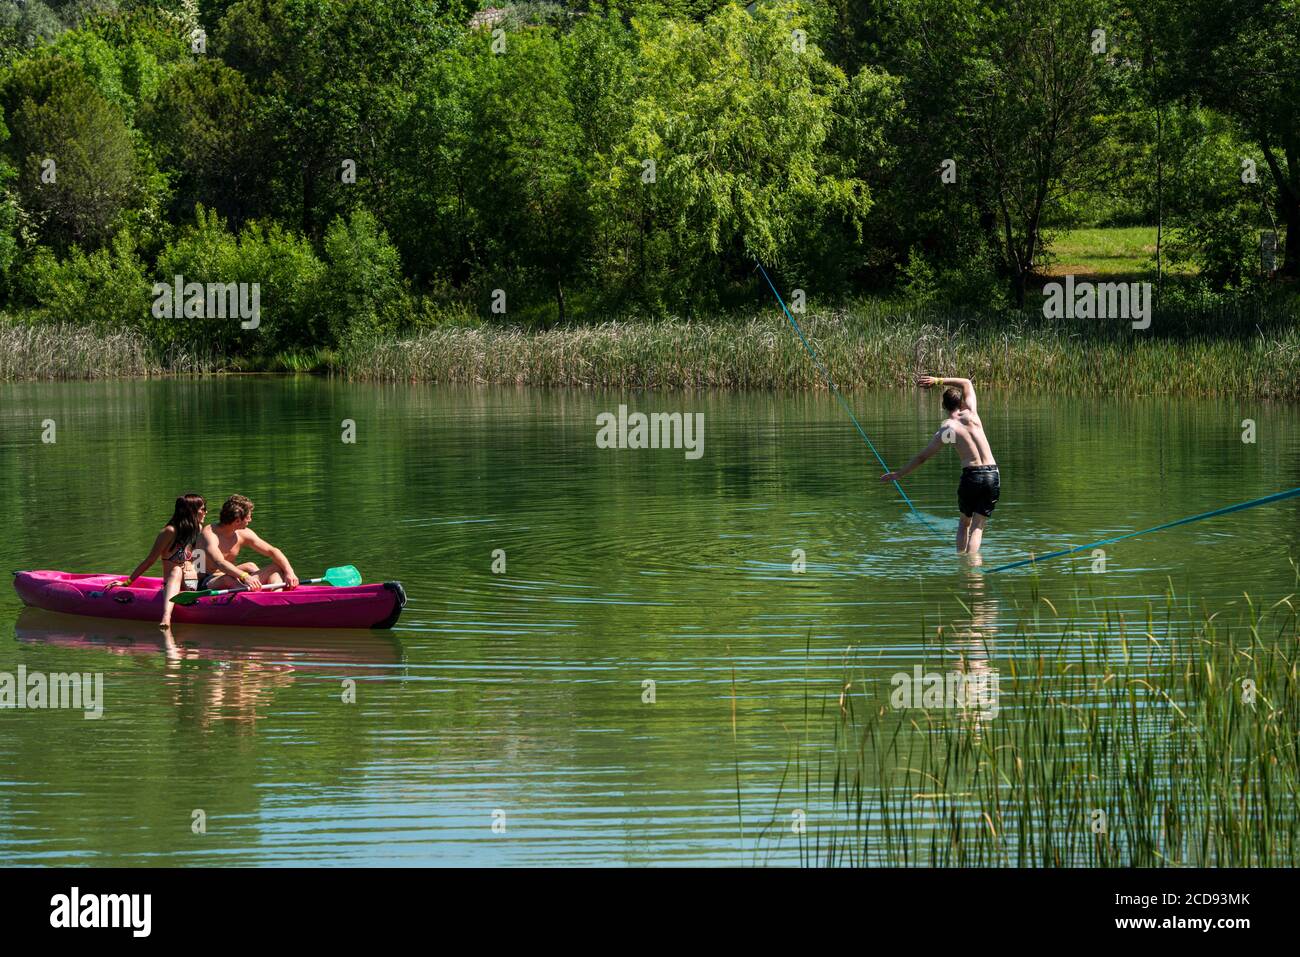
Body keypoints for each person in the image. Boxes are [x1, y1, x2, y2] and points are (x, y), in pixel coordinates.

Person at [879, 374, 1000, 555]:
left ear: (943, 406)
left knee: (964, 522)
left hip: (971, 476)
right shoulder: (972, 415)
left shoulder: (948, 429)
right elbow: (966, 382)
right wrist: (937, 381)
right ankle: (974, 565)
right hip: (992, 475)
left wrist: (899, 474)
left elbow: (923, 457)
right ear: (961, 403)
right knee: (978, 526)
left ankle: (963, 563)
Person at [115, 493, 261, 627]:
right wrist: (127, 582)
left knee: (248, 566)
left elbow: (198, 558)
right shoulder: (169, 532)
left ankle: (260, 597)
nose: (206, 512)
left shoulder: (198, 528)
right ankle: (166, 616)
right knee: (177, 570)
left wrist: (201, 574)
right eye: (203, 509)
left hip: (193, 582)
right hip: (175, 582)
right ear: (191, 511)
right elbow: (150, 560)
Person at [197, 495, 300, 592]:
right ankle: (251, 592)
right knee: (228, 579)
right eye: (248, 517)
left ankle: (276, 595)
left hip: (233, 576)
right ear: (237, 521)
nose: (250, 520)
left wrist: (289, 572)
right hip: (207, 581)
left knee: (275, 567)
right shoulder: (209, 535)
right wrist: (245, 577)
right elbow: (219, 563)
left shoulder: (243, 533)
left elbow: (273, 551)